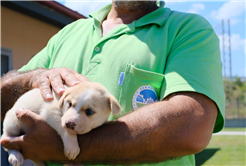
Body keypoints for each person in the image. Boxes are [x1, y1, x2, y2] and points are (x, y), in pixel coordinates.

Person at [0, 0, 225, 165]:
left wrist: (66, 146)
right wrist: (34, 77)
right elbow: (4, 98)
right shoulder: (68, 33)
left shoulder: (187, 29)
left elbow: (191, 127)